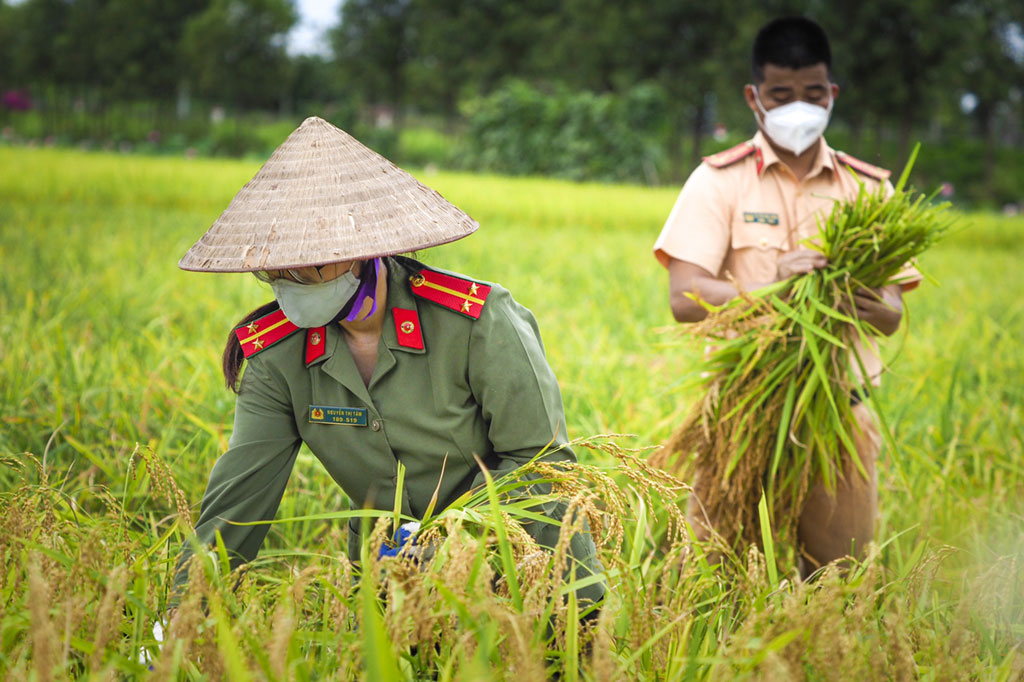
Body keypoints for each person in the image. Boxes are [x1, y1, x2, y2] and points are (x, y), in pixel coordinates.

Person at [172, 116, 604, 607]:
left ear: (363, 252)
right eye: (275, 269)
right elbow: (236, 503)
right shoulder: (277, 356)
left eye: (309, 260)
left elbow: (541, 465)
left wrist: (445, 541)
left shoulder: (475, 322)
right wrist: (178, 622)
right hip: (391, 588)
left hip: (530, 567)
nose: (288, 278)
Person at [652, 17, 920, 576]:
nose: (798, 106)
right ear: (754, 97)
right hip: (744, 409)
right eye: (781, 94)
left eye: (812, 94)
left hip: (840, 417)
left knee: (835, 583)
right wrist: (771, 286)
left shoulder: (869, 189)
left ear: (832, 94)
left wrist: (877, 306)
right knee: (710, 576)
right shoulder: (718, 180)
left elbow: (893, 311)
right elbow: (684, 295)